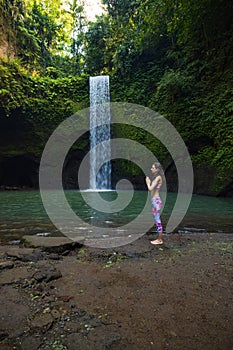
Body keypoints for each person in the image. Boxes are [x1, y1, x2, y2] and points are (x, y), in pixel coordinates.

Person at [145, 162, 163, 245]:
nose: (151, 169)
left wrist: (147, 182)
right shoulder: (156, 178)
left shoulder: (158, 178)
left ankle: (159, 240)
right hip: (154, 201)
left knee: (157, 220)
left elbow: (150, 189)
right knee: (156, 219)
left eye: (152, 168)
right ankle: (159, 238)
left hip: (156, 201)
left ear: (157, 169)